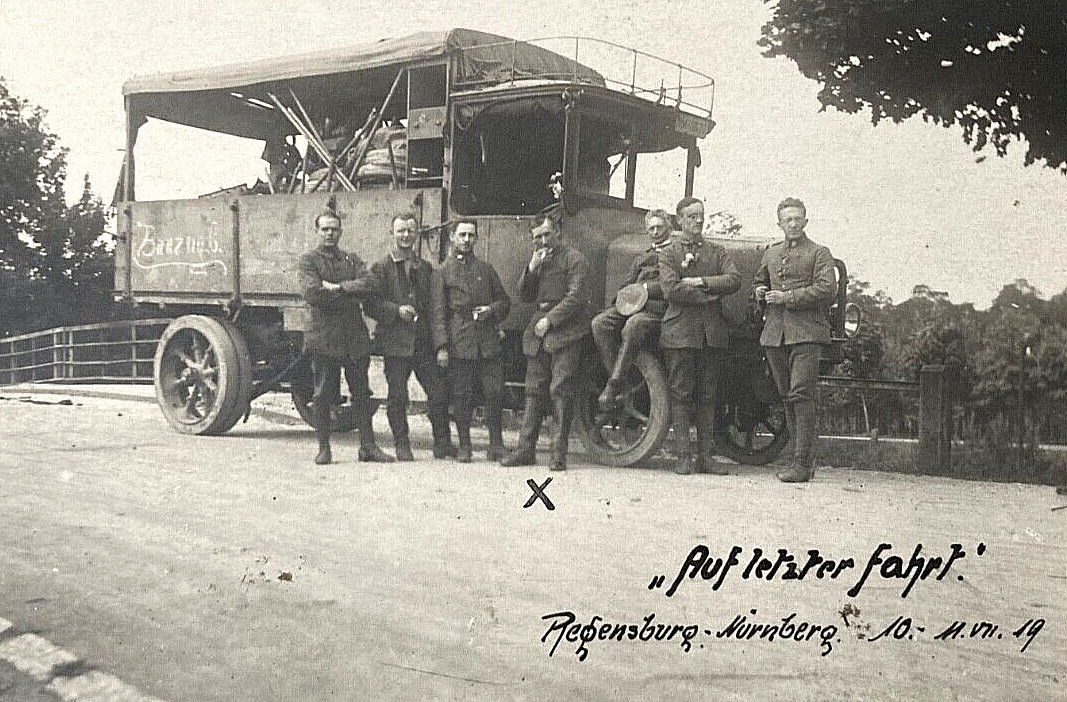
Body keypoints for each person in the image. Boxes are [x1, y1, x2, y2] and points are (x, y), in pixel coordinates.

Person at [296, 210, 394, 465]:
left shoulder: (351, 259)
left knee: (362, 393)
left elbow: (372, 283)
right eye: (325, 229)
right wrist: (351, 292)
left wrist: (339, 288)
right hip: (324, 337)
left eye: (334, 229)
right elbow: (313, 294)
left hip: (353, 337)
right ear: (317, 231)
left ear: (340, 232)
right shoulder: (308, 261)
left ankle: (368, 447)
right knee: (323, 394)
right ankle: (324, 447)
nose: (330, 233)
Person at [754, 197, 836, 483]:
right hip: (775, 335)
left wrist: (787, 297)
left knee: (802, 395)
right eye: (787, 219)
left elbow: (827, 290)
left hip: (807, 333)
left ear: (805, 221)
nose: (793, 224)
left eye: (797, 218)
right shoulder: (771, 253)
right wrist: (760, 291)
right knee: (788, 396)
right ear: (779, 223)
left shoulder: (819, 253)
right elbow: (759, 281)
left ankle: (802, 463)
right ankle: (798, 460)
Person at [500, 212, 590, 471]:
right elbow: (525, 296)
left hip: (566, 331)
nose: (542, 241)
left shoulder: (575, 259)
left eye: (546, 235)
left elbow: (576, 298)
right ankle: (525, 449)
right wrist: (531, 268)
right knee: (533, 390)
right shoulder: (539, 260)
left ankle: (558, 454)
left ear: (558, 233)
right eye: (537, 238)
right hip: (539, 331)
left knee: (560, 391)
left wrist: (550, 320)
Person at [659, 197, 741, 475]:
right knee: (681, 394)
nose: (698, 221)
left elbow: (734, 279)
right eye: (691, 216)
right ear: (679, 221)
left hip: (711, 334)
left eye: (701, 216)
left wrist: (700, 282)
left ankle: (705, 457)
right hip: (680, 332)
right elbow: (670, 289)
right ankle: (683, 456)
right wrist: (709, 298)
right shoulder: (669, 253)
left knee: (709, 395)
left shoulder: (717, 252)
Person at [365, 212, 454, 461]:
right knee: (397, 397)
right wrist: (396, 310)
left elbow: (435, 309)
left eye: (410, 231)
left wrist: (440, 345)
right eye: (401, 231)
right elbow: (370, 305)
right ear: (392, 233)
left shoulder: (425, 268)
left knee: (438, 392)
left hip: (422, 343)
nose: (405, 236)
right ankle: (402, 444)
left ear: (417, 235)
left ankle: (442, 443)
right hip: (395, 345)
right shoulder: (381, 268)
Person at [431, 219, 511, 462]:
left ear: (476, 239)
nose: (467, 240)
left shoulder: (486, 270)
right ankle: (464, 445)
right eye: (462, 235)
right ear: (453, 237)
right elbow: (437, 313)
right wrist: (442, 347)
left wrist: (491, 310)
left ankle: (495, 444)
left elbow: (504, 301)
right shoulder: (442, 272)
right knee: (461, 395)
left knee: (494, 392)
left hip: (487, 340)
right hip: (460, 341)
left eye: (471, 235)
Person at [590, 208, 674, 412]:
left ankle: (613, 384)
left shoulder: (676, 253)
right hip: (633, 304)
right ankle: (620, 377)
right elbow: (627, 284)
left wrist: (646, 289)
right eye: (651, 228)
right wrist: (619, 300)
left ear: (669, 228)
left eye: (659, 227)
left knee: (633, 326)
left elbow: (674, 285)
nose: (655, 232)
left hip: (657, 308)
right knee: (599, 323)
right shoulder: (642, 258)